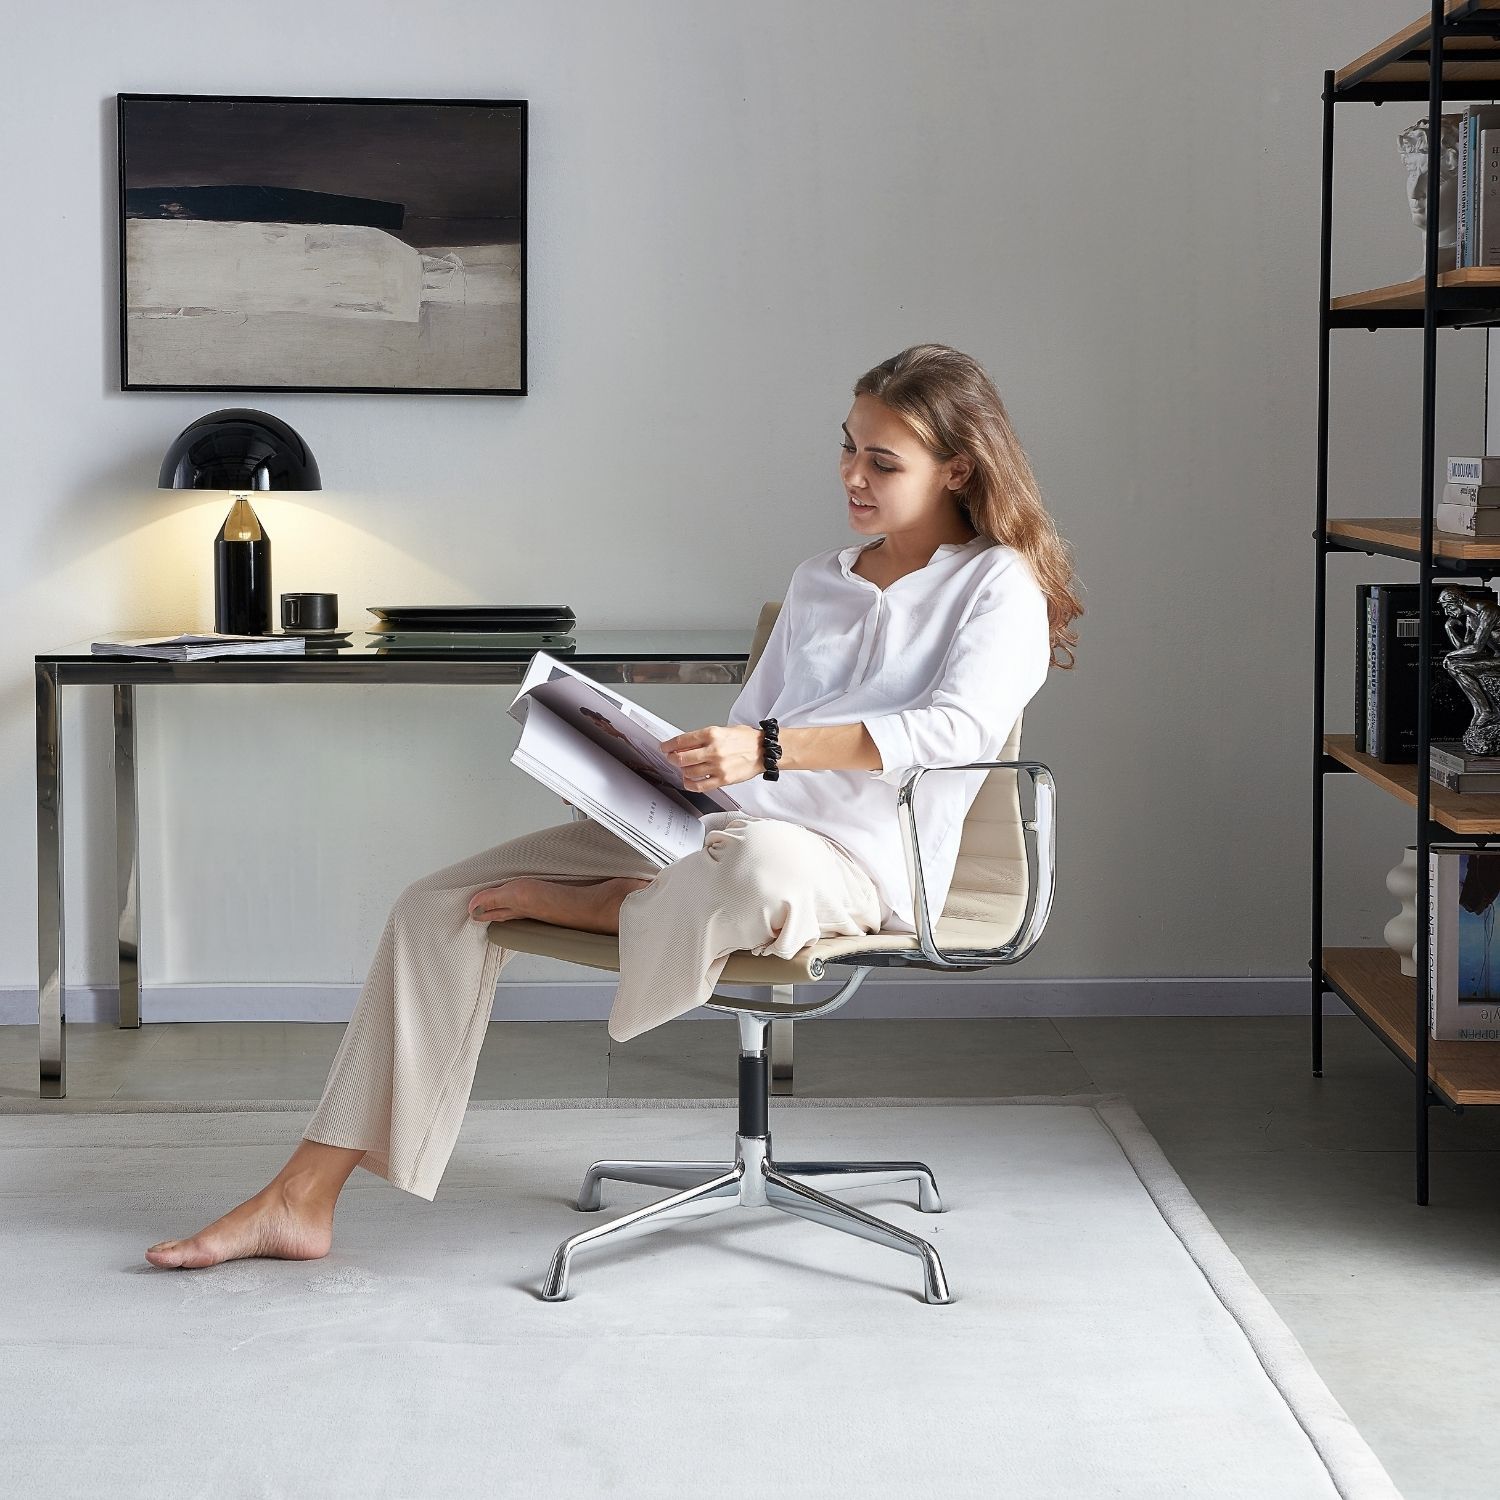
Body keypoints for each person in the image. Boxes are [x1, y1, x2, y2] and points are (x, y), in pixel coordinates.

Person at [144, 343, 1084, 1270]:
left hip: (857, 867)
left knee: (755, 867)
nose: (854, 475)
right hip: (726, 832)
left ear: (957, 467)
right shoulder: (817, 580)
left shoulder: (997, 582)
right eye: (848, 448)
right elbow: (747, 734)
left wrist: (765, 750)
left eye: (884, 461)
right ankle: (303, 1195)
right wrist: (642, 762)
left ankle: (613, 908)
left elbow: (954, 730)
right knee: (437, 906)